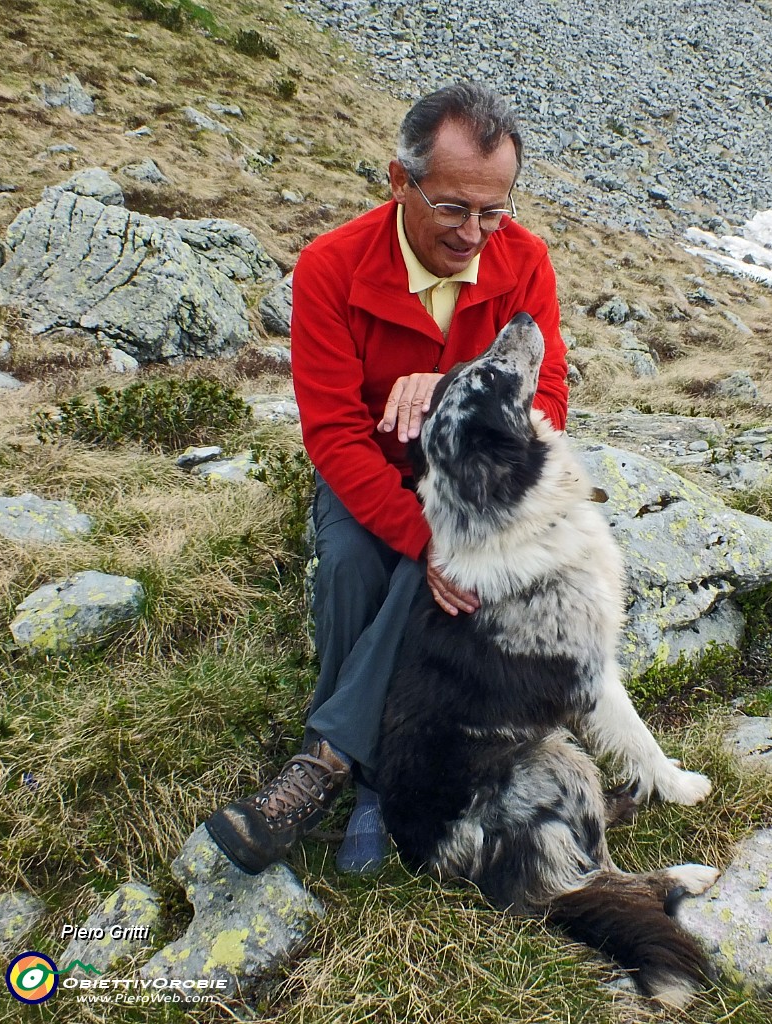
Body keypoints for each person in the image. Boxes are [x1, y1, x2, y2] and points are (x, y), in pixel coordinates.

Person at [205, 82, 569, 876]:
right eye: (451, 208)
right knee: (353, 563)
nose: (474, 233)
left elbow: (547, 399)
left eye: (493, 212)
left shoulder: (525, 260)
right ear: (398, 181)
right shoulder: (331, 267)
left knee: (442, 561)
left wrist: (446, 388)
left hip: (473, 483)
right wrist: (423, 538)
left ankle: (331, 765)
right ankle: (372, 768)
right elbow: (333, 434)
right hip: (371, 472)